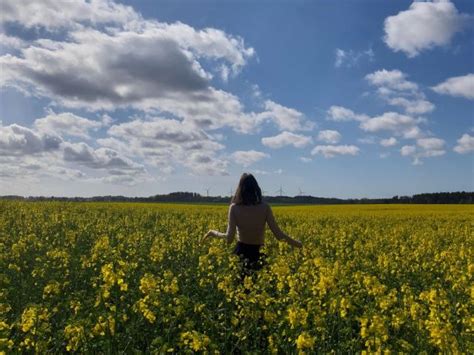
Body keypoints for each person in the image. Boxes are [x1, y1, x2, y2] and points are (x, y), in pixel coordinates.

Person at [201, 173, 303, 280]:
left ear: (240, 189)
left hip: (240, 255)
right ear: (256, 188)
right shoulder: (265, 207)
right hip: (259, 254)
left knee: (240, 293)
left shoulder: (234, 208)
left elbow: (229, 238)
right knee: (259, 291)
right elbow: (279, 235)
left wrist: (213, 233)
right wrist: (299, 244)